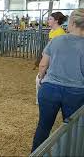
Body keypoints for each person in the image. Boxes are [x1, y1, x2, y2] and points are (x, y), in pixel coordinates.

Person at [31, 9, 84, 152]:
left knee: (43, 126)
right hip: (76, 92)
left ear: (72, 22)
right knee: (72, 128)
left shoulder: (57, 40)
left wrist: (41, 78)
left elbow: (43, 64)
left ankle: (36, 153)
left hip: (50, 89)